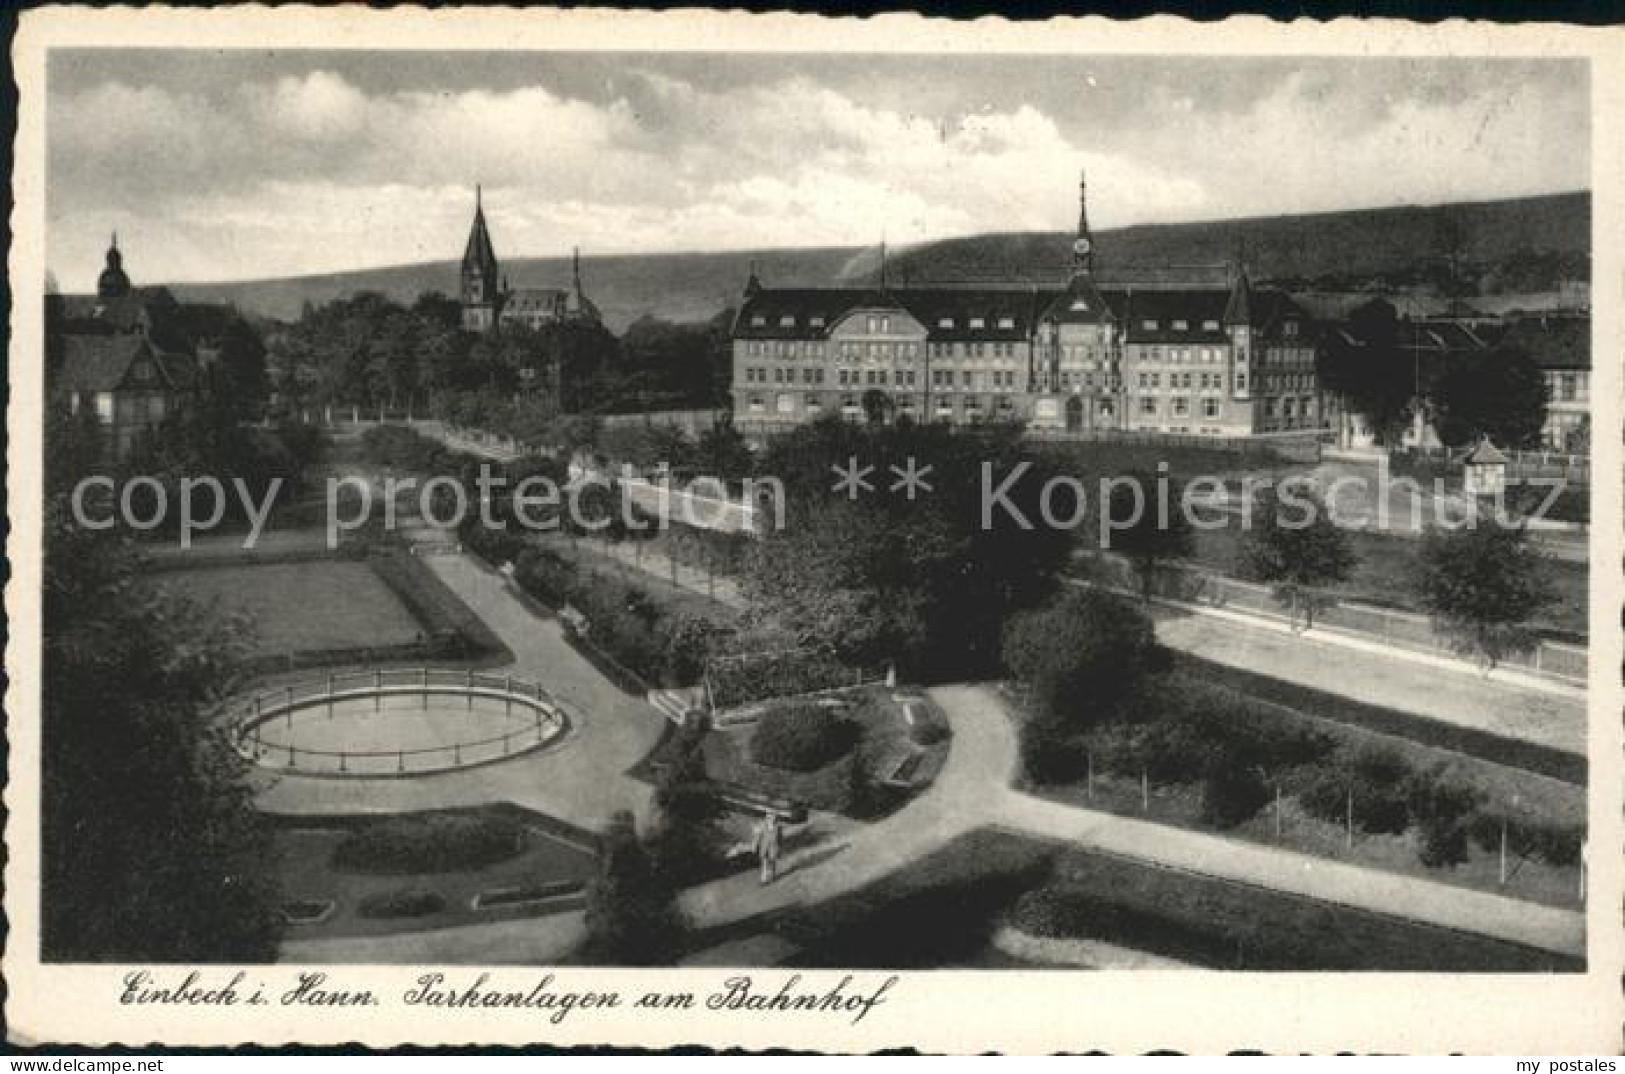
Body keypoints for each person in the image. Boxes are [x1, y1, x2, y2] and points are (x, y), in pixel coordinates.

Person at [753, 811, 781, 885]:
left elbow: (780, 837)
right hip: (764, 846)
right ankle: (764, 879)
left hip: (773, 846)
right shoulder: (763, 825)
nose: (771, 819)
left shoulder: (778, 826)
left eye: (773, 817)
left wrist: (780, 846)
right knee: (764, 862)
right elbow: (758, 836)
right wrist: (755, 845)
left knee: (772, 861)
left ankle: (772, 876)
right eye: (769, 817)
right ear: (766, 818)